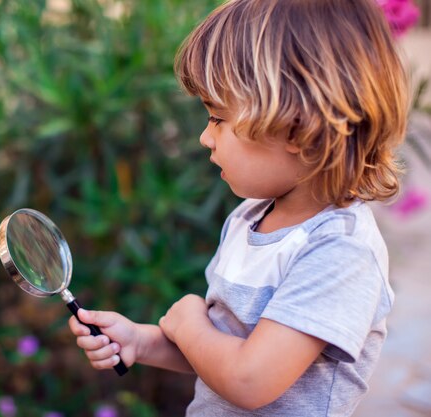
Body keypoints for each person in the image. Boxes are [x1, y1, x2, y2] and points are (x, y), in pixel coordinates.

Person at [68, 0, 409, 415]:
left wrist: (189, 320)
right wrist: (144, 342)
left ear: (297, 127)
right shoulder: (250, 218)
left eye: (217, 118)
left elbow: (249, 380)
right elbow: (222, 355)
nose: (204, 138)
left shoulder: (340, 250)